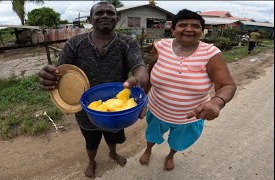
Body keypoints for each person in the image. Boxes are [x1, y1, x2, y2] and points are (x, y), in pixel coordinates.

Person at [38, 2, 149, 179]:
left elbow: (139, 68)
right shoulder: (75, 43)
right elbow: (61, 72)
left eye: (110, 13)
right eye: (99, 13)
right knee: (91, 140)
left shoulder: (127, 42)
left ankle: (113, 153)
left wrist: (140, 78)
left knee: (113, 136)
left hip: (117, 109)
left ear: (117, 18)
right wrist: (50, 76)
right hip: (86, 110)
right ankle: (92, 161)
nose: (105, 16)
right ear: (90, 19)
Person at [139, 9, 237, 171]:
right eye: (183, 25)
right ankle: (148, 150)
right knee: (151, 134)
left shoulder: (211, 54)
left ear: (202, 31)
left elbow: (228, 85)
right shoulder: (160, 46)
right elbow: (150, 73)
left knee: (178, 141)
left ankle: (170, 155)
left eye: (195, 26)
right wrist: (143, 99)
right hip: (157, 110)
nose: (189, 29)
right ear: (173, 29)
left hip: (189, 117)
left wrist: (217, 102)